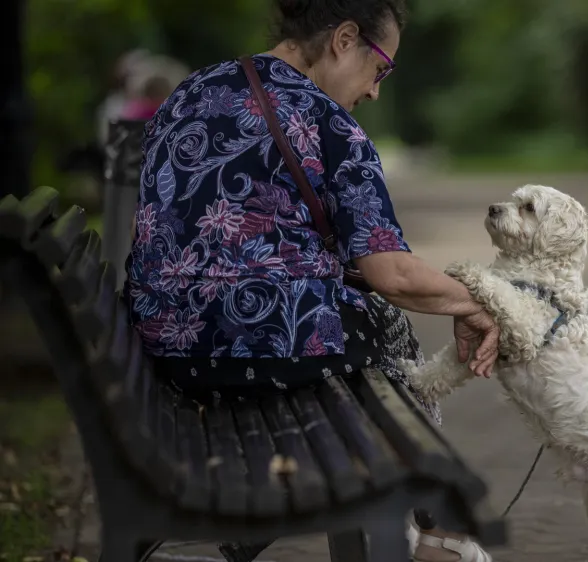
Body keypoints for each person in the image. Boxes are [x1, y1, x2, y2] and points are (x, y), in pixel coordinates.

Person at [122, 1, 499, 561]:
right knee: (382, 331)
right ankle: (425, 533)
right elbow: (391, 273)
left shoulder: (192, 91)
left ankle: (419, 524)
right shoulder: (329, 123)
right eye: (381, 68)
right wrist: (483, 302)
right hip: (264, 346)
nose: (375, 90)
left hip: (167, 345)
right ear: (345, 39)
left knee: (367, 325)